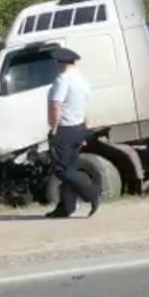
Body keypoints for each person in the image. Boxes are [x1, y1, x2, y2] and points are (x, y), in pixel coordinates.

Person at [45, 48, 100, 218]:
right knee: (70, 167)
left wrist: (54, 128)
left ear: (60, 62)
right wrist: (83, 129)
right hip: (78, 128)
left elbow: (56, 105)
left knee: (62, 170)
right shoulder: (82, 81)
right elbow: (82, 106)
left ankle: (92, 193)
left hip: (64, 129)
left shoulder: (62, 80)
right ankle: (66, 207)